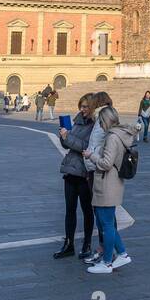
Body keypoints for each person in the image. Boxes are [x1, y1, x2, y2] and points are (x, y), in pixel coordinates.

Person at [84, 107, 137, 274]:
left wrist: (90, 155)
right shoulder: (119, 135)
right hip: (110, 183)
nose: (100, 124)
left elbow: (106, 163)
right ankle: (122, 253)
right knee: (106, 223)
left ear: (106, 120)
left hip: (107, 183)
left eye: (101, 121)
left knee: (106, 224)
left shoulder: (112, 137)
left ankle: (107, 262)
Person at [55, 95, 98, 261]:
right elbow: (69, 144)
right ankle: (69, 244)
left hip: (85, 173)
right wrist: (63, 136)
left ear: (93, 107)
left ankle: (87, 244)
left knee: (87, 211)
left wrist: (69, 138)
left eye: (86, 106)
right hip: (71, 171)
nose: (83, 109)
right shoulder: (78, 121)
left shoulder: (96, 126)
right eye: (81, 106)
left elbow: (87, 147)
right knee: (69, 210)